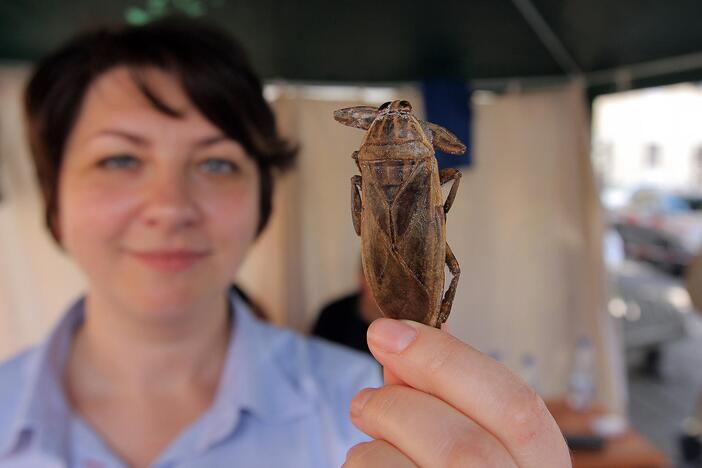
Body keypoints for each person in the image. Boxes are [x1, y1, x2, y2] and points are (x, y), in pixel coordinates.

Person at [0, 17, 571, 468]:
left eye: (217, 163)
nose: (170, 206)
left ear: (261, 204)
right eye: (120, 158)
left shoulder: (367, 406)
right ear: (54, 202)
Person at [312, 266, 382, 355]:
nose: (387, 288)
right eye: (380, 278)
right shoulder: (332, 316)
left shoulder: (403, 318)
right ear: (362, 278)